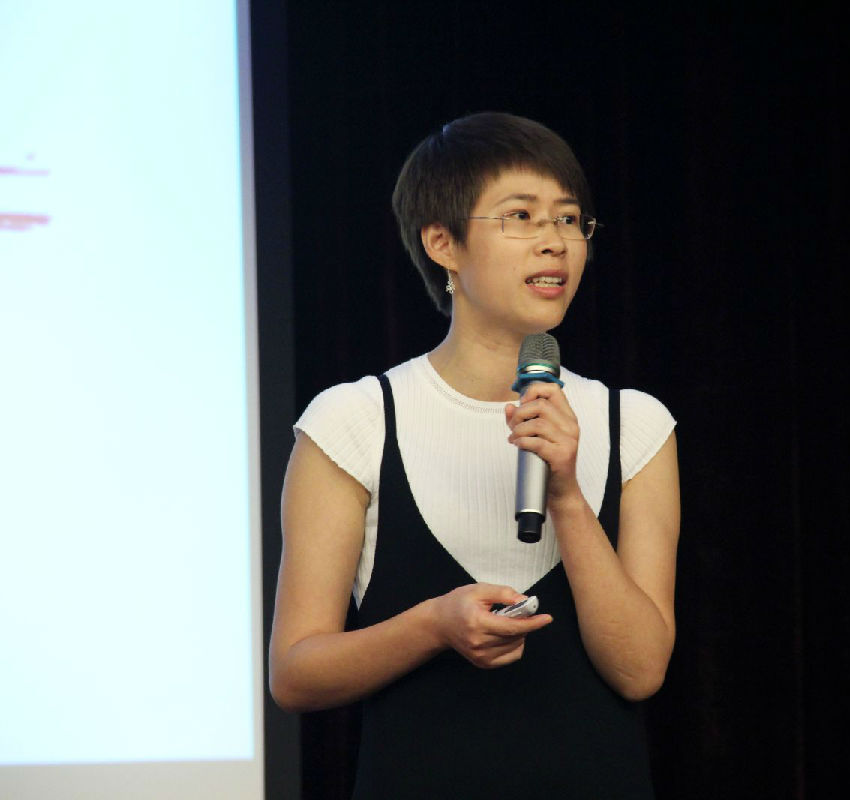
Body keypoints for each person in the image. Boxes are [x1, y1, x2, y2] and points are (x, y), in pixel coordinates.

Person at [268, 112, 680, 799]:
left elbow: (640, 671)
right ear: (443, 243)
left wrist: (567, 497)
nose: (555, 242)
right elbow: (296, 674)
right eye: (521, 216)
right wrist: (434, 625)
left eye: (570, 220)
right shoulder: (356, 420)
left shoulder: (634, 423)